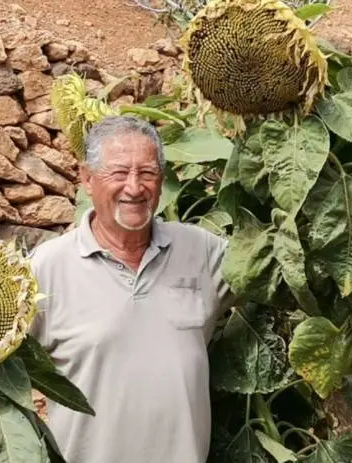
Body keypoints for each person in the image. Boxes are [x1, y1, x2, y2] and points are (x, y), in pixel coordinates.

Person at [27, 115, 235, 463]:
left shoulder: (202, 251)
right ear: (87, 179)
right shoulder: (47, 269)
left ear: (162, 180)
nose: (135, 187)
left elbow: (271, 271)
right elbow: (1, 370)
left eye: (148, 173)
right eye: (119, 173)